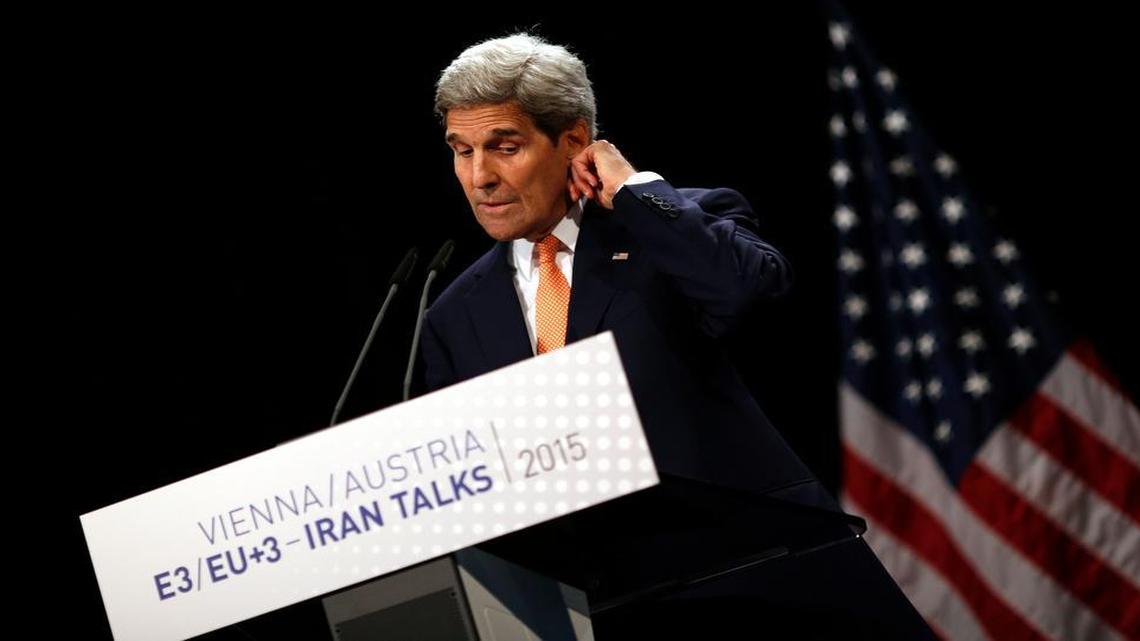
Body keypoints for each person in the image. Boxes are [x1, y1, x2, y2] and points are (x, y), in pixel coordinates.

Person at [420, 33, 933, 639]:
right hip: (604, 612)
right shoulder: (453, 314)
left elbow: (748, 292)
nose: (479, 176)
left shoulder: (674, 226)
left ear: (575, 140)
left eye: (504, 147)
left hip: (761, 583)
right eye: (462, 150)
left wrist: (637, 192)